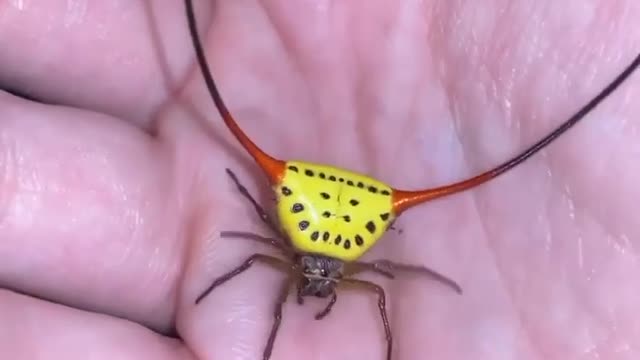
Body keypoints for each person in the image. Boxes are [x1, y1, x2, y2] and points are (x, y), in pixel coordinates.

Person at [0, 1, 638, 359]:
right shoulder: (326, 263)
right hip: (341, 208)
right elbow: (262, 247)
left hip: (322, 204)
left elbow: (273, 246)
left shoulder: (318, 262)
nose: (319, 283)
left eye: (322, 280)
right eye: (320, 280)